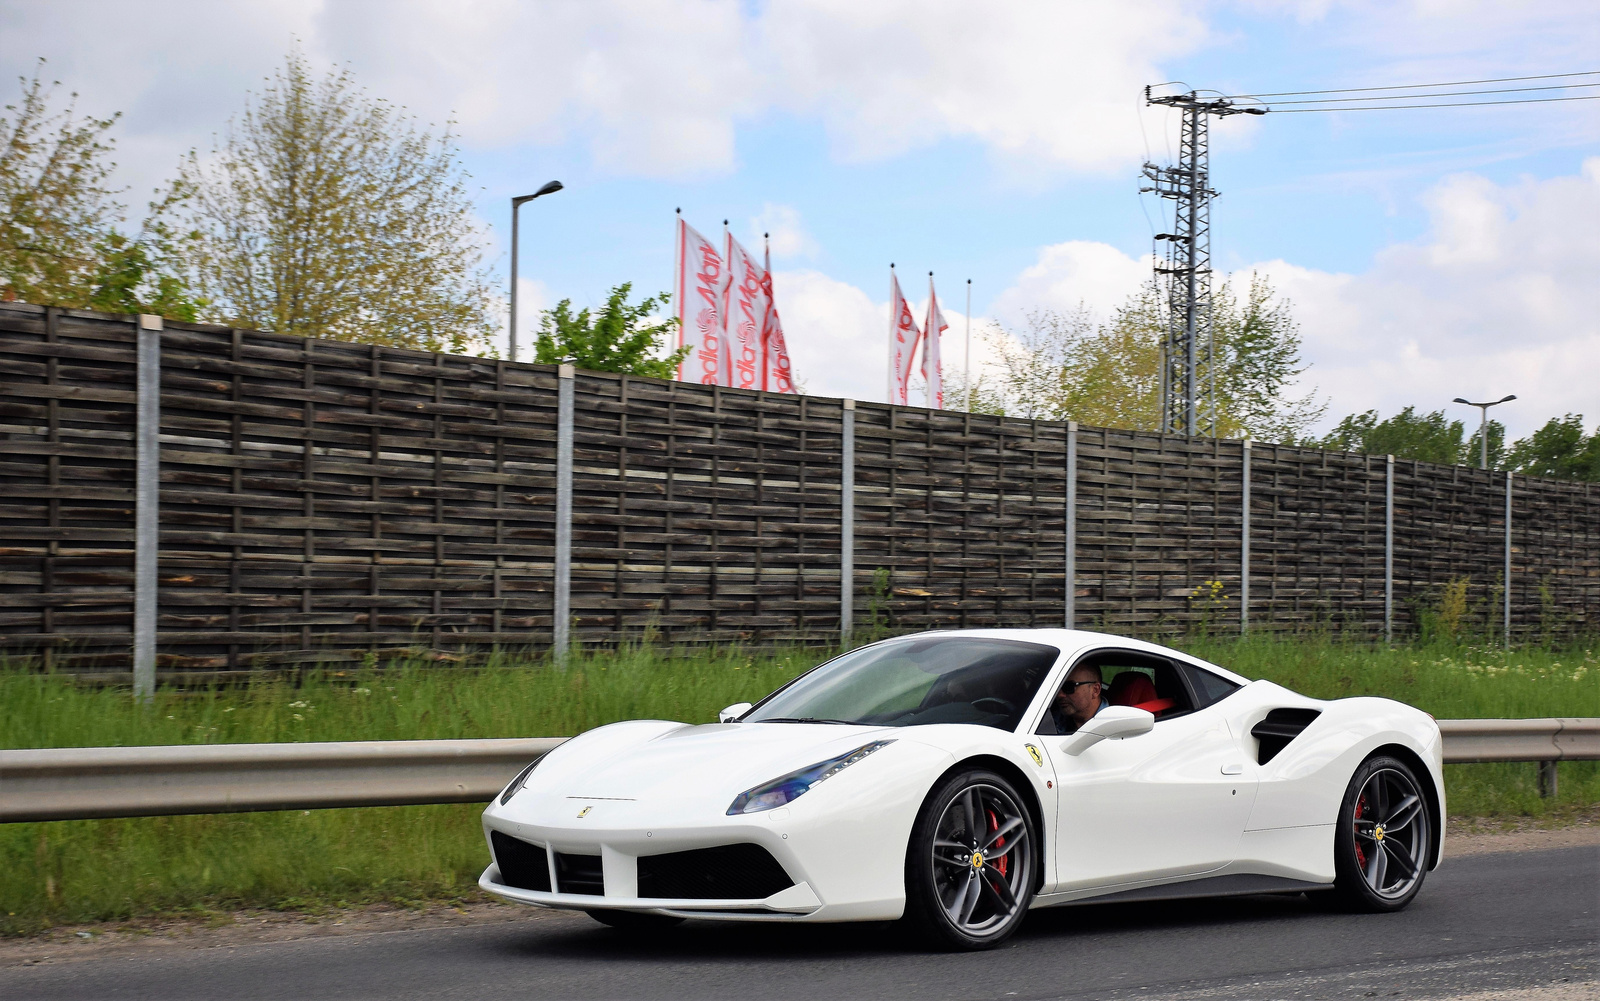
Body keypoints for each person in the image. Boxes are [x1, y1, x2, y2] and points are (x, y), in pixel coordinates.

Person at [1051, 663, 1109, 734]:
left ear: (1095, 690)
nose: (1059, 695)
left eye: (1069, 687)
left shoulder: (1113, 727)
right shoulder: (1050, 720)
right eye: (1057, 687)